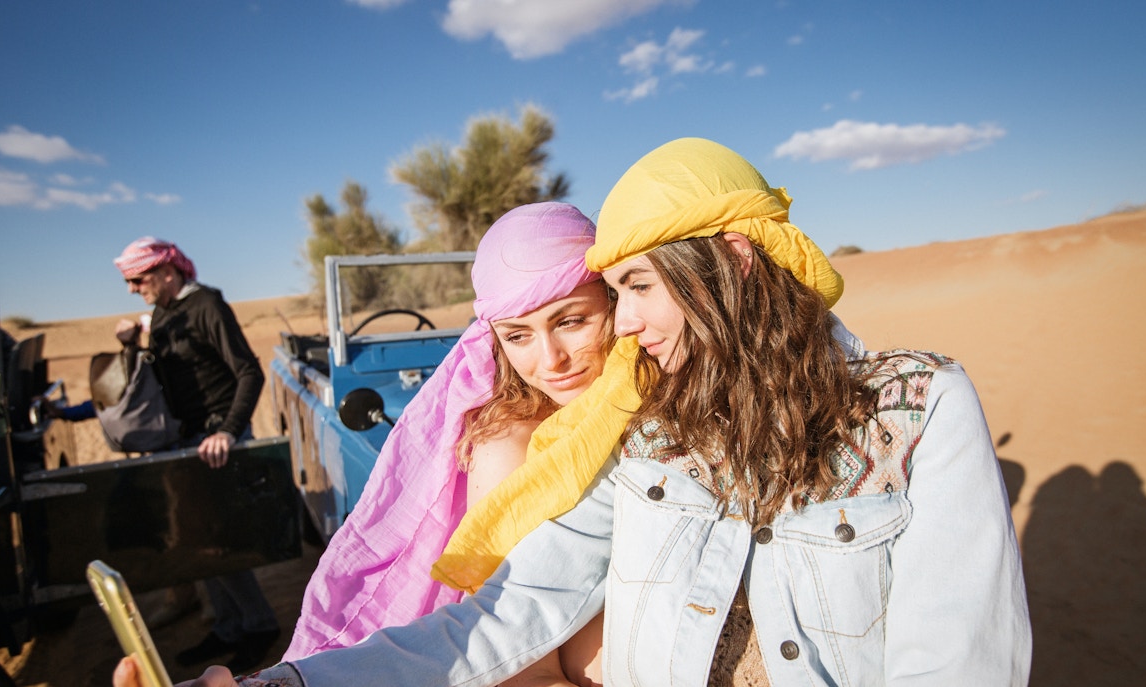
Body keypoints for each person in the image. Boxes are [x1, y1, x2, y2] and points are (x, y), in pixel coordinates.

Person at [120, 138, 1030, 686]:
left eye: (633, 287)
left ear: (739, 265)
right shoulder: (657, 435)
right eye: (616, 290)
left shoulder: (914, 412)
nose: (623, 323)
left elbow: (961, 663)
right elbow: (500, 616)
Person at [284, 201, 638, 685]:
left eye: (571, 321)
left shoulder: (648, 398)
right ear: (495, 340)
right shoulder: (510, 448)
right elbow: (522, 664)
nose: (550, 359)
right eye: (518, 336)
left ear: (614, 303)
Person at [113, 237, 281, 674]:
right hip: (186, 442)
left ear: (168, 272)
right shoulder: (162, 314)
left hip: (217, 441)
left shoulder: (207, 305)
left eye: (138, 279)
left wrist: (228, 430)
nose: (132, 288)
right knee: (199, 541)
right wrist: (131, 344)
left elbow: (249, 371)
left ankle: (258, 625)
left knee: (219, 542)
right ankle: (227, 627)